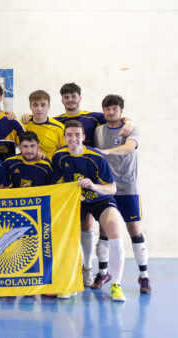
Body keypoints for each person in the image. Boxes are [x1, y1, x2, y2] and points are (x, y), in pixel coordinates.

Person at [52, 120, 127, 302]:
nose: (73, 138)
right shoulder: (59, 157)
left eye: (77, 134)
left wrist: (94, 186)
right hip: (74, 202)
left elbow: (112, 188)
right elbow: (56, 184)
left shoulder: (96, 157)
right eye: (69, 134)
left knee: (115, 231)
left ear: (84, 137)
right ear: (64, 137)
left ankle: (116, 284)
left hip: (100, 200)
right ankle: (69, 282)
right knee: (65, 235)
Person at [94, 95, 151, 294]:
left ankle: (144, 277)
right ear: (103, 110)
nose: (111, 112)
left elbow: (129, 148)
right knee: (103, 230)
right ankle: (102, 273)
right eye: (107, 109)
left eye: (115, 109)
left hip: (127, 187)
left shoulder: (130, 129)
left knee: (134, 229)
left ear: (121, 110)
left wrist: (107, 151)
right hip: (106, 187)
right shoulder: (98, 129)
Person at [23, 91, 65, 160]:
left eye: (43, 105)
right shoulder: (24, 124)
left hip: (51, 168)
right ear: (30, 106)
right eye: (35, 105)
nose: (39, 109)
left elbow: (65, 153)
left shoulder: (59, 128)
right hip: (29, 167)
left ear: (49, 106)